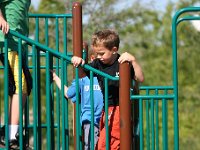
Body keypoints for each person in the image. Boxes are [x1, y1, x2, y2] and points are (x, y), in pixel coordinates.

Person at [71, 29, 144, 150]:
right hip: (106, 109)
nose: (99, 57)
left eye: (102, 53)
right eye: (97, 53)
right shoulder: (97, 64)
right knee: (105, 142)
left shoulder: (122, 62)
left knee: (108, 143)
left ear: (114, 50)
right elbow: (82, 75)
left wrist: (133, 60)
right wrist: (79, 63)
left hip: (120, 108)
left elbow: (140, 78)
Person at [52, 49, 104, 150]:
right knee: (91, 146)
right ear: (93, 58)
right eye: (100, 56)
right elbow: (68, 93)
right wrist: (55, 78)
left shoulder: (105, 77)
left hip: (106, 118)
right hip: (90, 120)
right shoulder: (83, 78)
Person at [0, 0, 32, 149]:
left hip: (21, 44)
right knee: (22, 84)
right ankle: (11, 135)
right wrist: (0, 18)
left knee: (25, 85)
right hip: (9, 43)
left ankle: (9, 131)